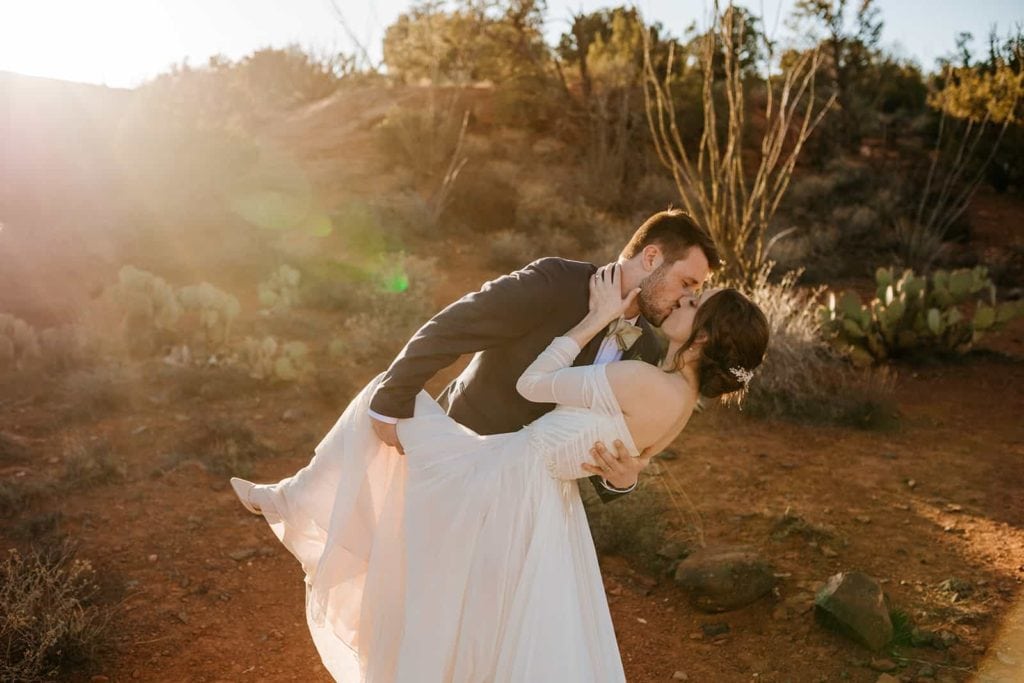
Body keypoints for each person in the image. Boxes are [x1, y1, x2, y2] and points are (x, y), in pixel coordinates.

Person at [230, 260, 770, 681]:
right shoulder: (681, 401)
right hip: (541, 503)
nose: (687, 298)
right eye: (690, 285)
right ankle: (297, 497)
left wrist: (593, 321)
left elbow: (534, 385)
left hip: (504, 478)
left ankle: (298, 500)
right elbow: (633, 460)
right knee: (486, 620)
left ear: (703, 338)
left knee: (387, 402)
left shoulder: (645, 376)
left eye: (697, 299)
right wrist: (625, 476)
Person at [368, 209, 722, 499]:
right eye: (687, 283)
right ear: (651, 257)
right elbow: (456, 326)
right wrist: (391, 399)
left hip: (532, 498)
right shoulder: (556, 282)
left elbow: (596, 438)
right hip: (463, 452)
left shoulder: (646, 348)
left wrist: (620, 480)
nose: (686, 298)